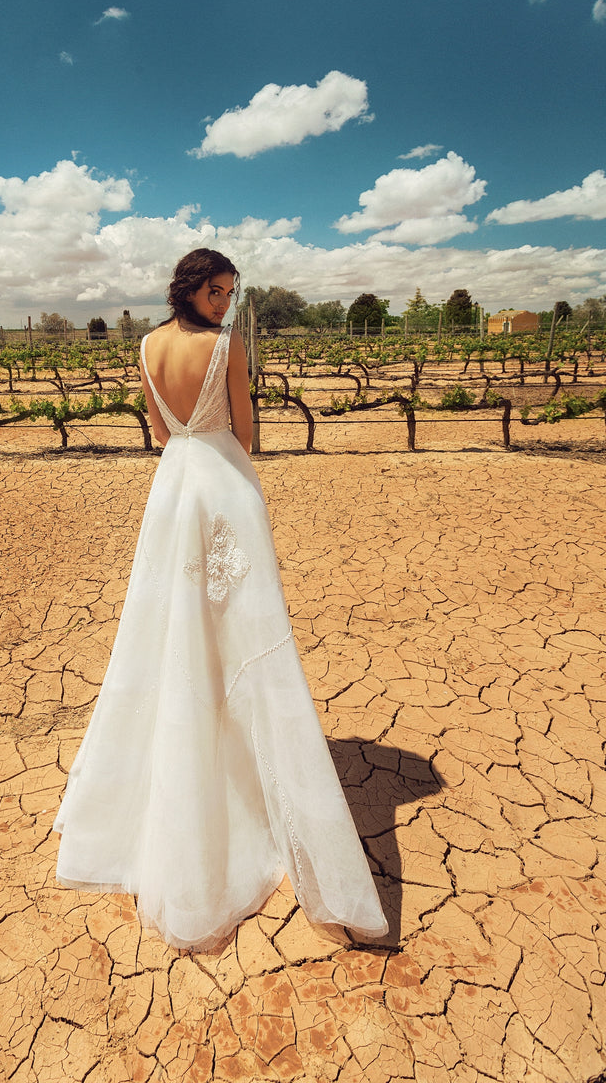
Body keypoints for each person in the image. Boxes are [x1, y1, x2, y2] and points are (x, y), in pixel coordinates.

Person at [54, 249, 388, 950]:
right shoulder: (228, 348)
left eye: (229, 294)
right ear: (191, 287)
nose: (223, 303)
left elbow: (156, 431)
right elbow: (246, 430)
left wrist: (186, 443)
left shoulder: (145, 345)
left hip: (173, 486)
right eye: (216, 291)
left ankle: (188, 763)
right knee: (241, 630)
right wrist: (225, 445)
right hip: (224, 486)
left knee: (170, 627)